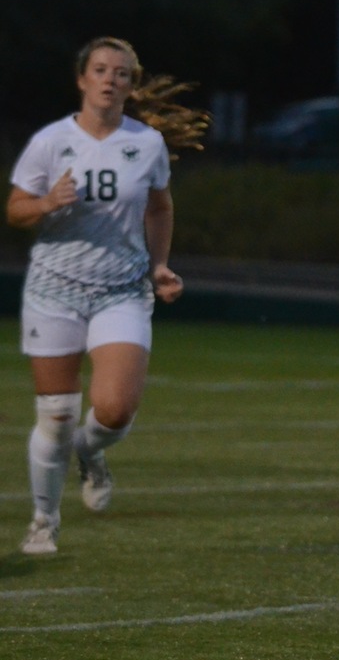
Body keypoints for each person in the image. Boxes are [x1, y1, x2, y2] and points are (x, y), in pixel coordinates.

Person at [8, 37, 207, 554]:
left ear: (130, 84)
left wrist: (160, 264)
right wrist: (47, 202)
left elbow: (159, 207)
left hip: (121, 289)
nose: (110, 79)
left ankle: (90, 455)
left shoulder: (146, 143)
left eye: (121, 73)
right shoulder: (51, 141)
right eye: (100, 69)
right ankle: (44, 519)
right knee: (55, 413)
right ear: (82, 79)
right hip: (55, 289)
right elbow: (15, 209)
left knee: (114, 410)